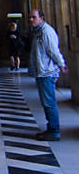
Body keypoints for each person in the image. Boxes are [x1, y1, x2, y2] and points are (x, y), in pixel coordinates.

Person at [28, 10, 68, 141]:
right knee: (46, 102)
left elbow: (53, 51)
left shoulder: (46, 32)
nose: (31, 20)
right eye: (30, 18)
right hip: (42, 71)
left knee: (49, 102)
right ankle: (51, 128)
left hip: (47, 72)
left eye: (34, 17)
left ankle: (54, 131)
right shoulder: (38, 32)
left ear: (41, 18)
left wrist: (61, 64)